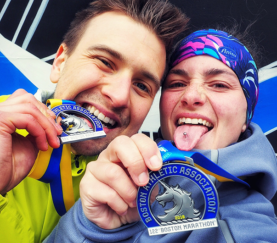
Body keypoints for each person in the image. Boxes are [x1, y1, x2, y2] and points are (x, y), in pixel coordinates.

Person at [0, 0, 189, 242]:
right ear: (60, 62)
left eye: (142, 86)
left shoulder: (143, 193)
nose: (120, 95)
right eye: (105, 62)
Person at [46, 28, 277, 242]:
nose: (191, 96)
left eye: (218, 85)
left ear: (247, 114)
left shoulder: (251, 225)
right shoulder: (112, 178)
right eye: (177, 83)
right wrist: (88, 227)